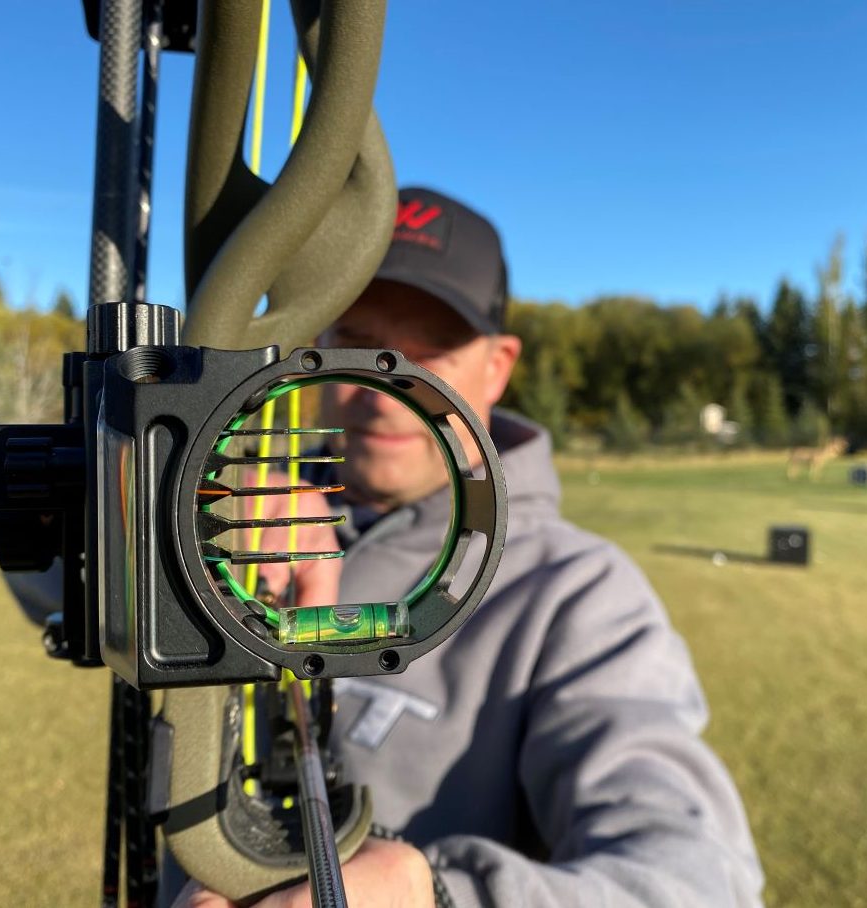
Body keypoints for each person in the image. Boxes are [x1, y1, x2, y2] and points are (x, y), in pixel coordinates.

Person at [181, 186, 764, 907]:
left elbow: (699, 878)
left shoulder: (578, 591)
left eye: (428, 357)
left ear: (498, 366)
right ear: (323, 349)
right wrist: (157, 503)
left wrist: (443, 898)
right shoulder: (234, 515)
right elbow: (60, 584)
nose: (381, 391)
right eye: (360, 344)